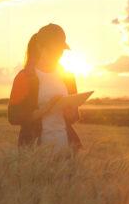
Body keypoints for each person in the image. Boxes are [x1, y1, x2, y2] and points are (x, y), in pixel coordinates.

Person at [7, 23, 83, 154]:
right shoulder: (24, 77)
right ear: (40, 47)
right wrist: (45, 109)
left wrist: (70, 114)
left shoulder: (68, 76)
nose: (59, 54)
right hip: (34, 151)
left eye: (61, 50)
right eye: (54, 50)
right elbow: (13, 117)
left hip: (67, 149)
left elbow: (73, 117)